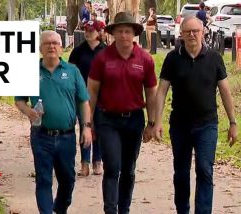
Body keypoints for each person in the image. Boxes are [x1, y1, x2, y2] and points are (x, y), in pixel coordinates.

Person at [153, 16, 238, 214]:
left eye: (196, 31)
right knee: (181, 173)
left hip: (207, 125)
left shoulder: (215, 58)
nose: (192, 34)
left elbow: (225, 91)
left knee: (205, 170)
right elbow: (161, 91)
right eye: (187, 31)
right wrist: (157, 121)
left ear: (204, 32)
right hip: (180, 125)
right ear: (181, 34)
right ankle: (182, 210)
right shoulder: (172, 59)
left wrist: (233, 122)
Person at [15, 30, 92, 214]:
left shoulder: (72, 71)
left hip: (66, 136)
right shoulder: (30, 72)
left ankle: (59, 208)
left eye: (55, 43)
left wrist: (86, 128)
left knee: (67, 180)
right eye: (47, 43)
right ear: (40, 48)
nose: (51, 46)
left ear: (61, 48)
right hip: (41, 136)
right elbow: (19, 100)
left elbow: (83, 101)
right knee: (44, 179)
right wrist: (28, 111)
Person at [88, 12, 157, 213]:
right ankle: (110, 209)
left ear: (134, 33)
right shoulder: (102, 58)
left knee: (128, 169)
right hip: (107, 119)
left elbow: (151, 92)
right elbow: (92, 91)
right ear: (113, 33)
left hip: (134, 119)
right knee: (113, 166)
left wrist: (152, 123)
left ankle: (124, 209)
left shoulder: (145, 59)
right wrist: (88, 122)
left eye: (128, 31)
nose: (124, 35)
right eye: (120, 31)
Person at [69, 20, 107, 176]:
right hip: (82, 97)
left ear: (99, 33)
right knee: (85, 127)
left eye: (91, 30)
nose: (88, 33)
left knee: (98, 128)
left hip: (102, 97)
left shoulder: (106, 51)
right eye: (86, 30)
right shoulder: (78, 51)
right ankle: (84, 163)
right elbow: (71, 73)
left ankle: (97, 161)